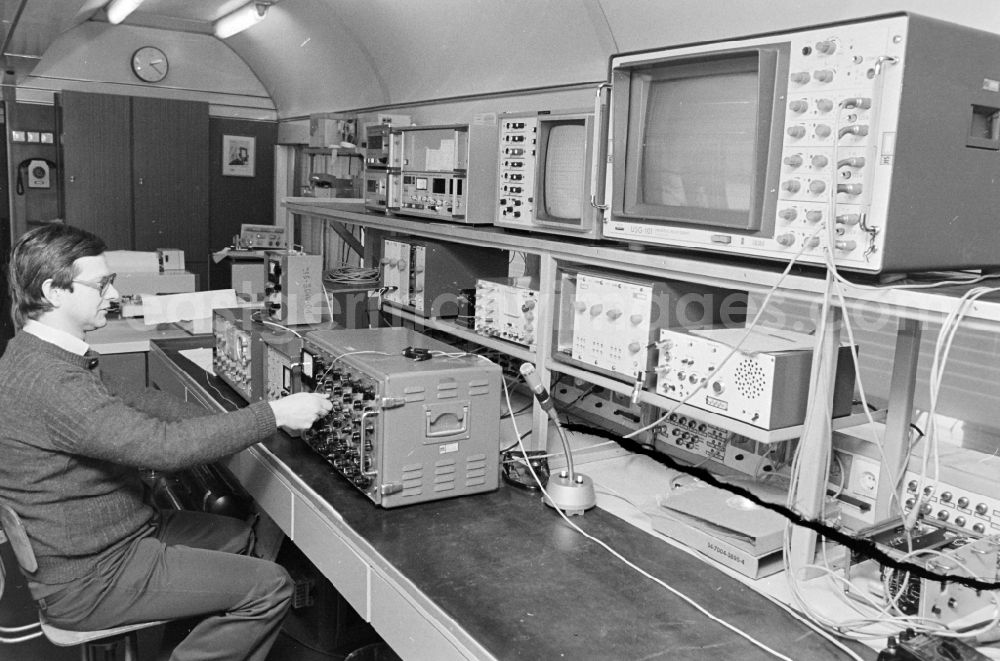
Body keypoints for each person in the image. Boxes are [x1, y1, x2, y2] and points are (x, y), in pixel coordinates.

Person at [0, 223, 333, 661]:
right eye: (101, 284)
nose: (114, 295)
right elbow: (165, 448)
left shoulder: (37, 352)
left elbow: (137, 400)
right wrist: (273, 415)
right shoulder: (52, 382)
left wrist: (240, 420)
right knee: (270, 587)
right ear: (54, 291)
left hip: (109, 539)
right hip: (93, 576)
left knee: (238, 538)